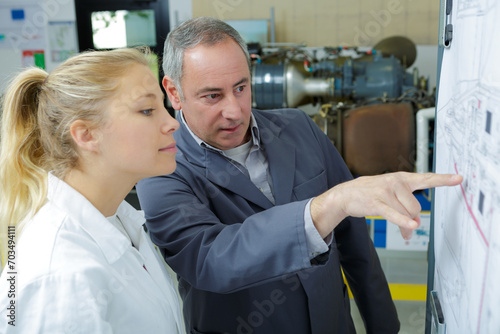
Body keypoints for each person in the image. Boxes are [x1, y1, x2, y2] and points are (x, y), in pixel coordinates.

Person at [136, 17, 463, 333]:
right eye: (213, 95)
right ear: (174, 92)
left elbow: (354, 241)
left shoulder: (297, 127)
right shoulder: (161, 168)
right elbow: (211, 258)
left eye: (241, 87)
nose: (234, 110)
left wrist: (384, 326)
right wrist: (328, 205)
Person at [0, 47, 185, 333]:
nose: (172, 123)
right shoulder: (60, 275)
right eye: (147, 110)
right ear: (87, 135)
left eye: (162, 107)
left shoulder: (119, 219)